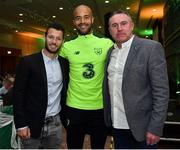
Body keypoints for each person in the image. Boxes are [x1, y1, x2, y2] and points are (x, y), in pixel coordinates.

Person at [103, 9, 169, 149]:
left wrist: (155, 127)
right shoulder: (111, 52)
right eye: (114, 25)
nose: (119, 28)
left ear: (132, 26)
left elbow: (161, 92)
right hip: (117, 126)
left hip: (143, 128)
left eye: (123, 23)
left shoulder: (151, 48)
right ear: (109, 30)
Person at [59, 4, 113, 149]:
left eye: (86, 17)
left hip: (99, 107)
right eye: (78, 18)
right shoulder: (66, 47)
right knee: (74, 146)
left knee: (98, 146)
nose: (82, 21)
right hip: (74, 107)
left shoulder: (107, 43)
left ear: (92, 19)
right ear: (74, 22)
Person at [13, 23, 69, 149]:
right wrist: (21, 124)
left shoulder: (64, 63)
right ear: (45, 37)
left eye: (58, 38)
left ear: (62, 41)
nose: (54, 42)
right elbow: (18, 94)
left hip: (55, 123)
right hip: (31, 124)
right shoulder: (28, 62)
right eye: (51, 37)